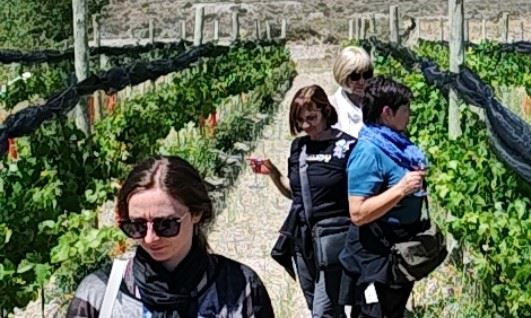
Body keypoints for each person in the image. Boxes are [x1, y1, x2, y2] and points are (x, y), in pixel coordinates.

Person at [67, 156, 274, 317]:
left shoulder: (241, 287)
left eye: (165, 225)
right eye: (137, 226)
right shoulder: (98, 294)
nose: (149, 238)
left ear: (196, 213)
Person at [261, 85, 358, 317]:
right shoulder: (299, 147)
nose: (306, 125)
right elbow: (296, 193)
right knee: (317, 303)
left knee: (322, 311)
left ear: (325, 111)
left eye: (312, 117)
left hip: (334, 238)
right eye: (301, 120)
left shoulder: (347, 147)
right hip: (303, 241)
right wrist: (273, 173)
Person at [343, 76, 430, 318]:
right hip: (376, 255)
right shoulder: (369, 151)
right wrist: (401, 189)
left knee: (393, 311)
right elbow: (358, 213)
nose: (409, 114)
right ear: (387, 113)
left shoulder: (396, 145)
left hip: (397, 251)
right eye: (405, 109)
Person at [332, 46, 374, 136]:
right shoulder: (332, 107)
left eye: (367, 75)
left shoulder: (376, 101)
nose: (362, 82)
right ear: (342, 75)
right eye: (355, 76)